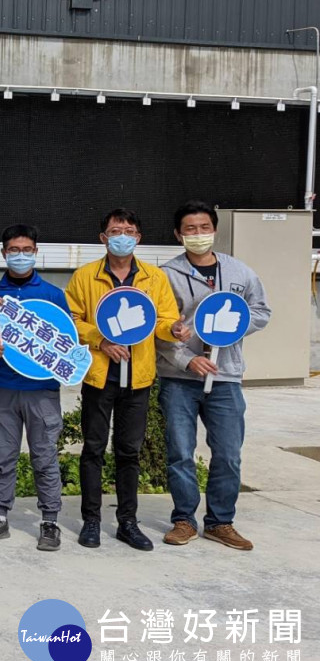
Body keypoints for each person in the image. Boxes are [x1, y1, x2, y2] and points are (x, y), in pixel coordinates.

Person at [65, 208, 188, 551]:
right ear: (103, 238)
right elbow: (70, 320)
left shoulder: (154, 277)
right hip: (100, 377)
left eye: (129, 231)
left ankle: (127, 523)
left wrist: (174, 329)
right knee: (92, 449)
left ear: (138, 238)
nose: (123, 236)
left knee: (128, 452)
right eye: (115, 231)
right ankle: (91, 520)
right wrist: (100, 340)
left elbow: (163, 320)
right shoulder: (85, 276)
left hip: (138, 378)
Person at [157, 201, 271, 551]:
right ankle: (184, 520)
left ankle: (220, 521)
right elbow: (158, 329)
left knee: (228, 453)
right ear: (178, 234)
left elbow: (261, 311)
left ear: (214, 230)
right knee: (180, 452)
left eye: (204, 227)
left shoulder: (240, 272)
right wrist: (187, 360)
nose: (198, 234)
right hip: (180, 380)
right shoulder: (165, 275)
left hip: (226, 377)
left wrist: (234, 328)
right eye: (190, 229)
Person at [0, 224, 68, 552]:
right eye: (14, 250)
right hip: (2, 387)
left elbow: (65, 344)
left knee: (44, 457)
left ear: (36, 252)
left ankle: (50, 522)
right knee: (3, 456)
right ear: (3, 253)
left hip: (42, 390)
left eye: (26, 250)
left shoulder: (53, 294)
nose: (20, 255)